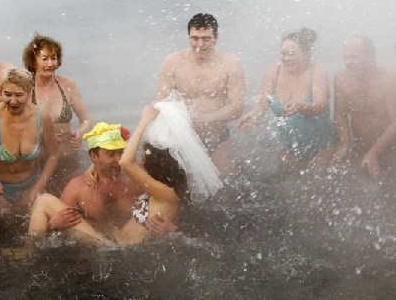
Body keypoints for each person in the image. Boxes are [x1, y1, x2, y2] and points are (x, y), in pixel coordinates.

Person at [30, 92, 222, 246]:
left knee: (43, 201)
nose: (138, 161)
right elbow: (67, 224)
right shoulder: (81, 185)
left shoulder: (149, 187)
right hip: (112, 240)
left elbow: (126, 163)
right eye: (111, 154)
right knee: (45, 203)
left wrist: (145, 120)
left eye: (121, 152)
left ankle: (30, 250)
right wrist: (54, 225)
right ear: (94, 157)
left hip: (116, 248)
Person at [156, 13, 246, 175]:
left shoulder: (230, 63)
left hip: (217, 137)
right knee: (181, 188)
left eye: (206, 39)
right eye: (194, 38)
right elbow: (162, 103)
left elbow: (237, 107)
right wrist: (185, 116)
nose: (199, 44)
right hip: (181, 138)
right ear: (189, 37)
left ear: (216, 38)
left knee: (224, 185)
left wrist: (207, 118)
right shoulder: (173, 62)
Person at [238, 28, 336, 170]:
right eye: (283, 54)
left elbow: (320, 105)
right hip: (287, 150)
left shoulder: (317, 72)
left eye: (291, 54)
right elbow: (262, 102)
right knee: (285, 188)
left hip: (321, 149)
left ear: (307, 54)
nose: (285, 58)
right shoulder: (274, 71)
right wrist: (252, 116)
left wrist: (300, 106)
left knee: (318, 188)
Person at [0, 68, 59, 211]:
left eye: (19, 95)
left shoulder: (42, 118)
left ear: (30, 93)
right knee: (3, 226)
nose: (13, 101)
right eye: (7, 94)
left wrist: (39, 186)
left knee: (36, 228)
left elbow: (53, 154)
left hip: (32, 184)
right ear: (1, 92)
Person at [23, 34, 92, 193]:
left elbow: (86, 119)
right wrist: (42, 137)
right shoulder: (25, 87)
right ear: (33, 61)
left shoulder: (67, 85)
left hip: (68, 159)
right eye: (44, 59)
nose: (50, 64)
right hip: (36, 162)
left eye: (53, 58)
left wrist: (80, 133)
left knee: (71, 204)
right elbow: (13, 125)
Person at [333, 36, 396, 179]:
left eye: (354, 57)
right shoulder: (341, 78)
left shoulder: (388, 80)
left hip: (390, 149)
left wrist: (374, 152)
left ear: (370, 56)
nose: (348, 62)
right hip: (360, 147)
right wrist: (345, 144)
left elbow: (395, 122)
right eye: (345, 57)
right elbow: (339, 114)